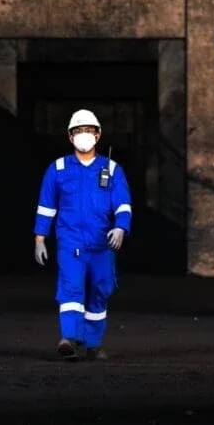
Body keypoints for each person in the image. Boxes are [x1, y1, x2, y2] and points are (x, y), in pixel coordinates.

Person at [33, 108, 132, 361]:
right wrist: (40, 238)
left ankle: (93, 343)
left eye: (88, 131)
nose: (84, 135)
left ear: (98, 136)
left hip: (102, 244)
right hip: (70, 241)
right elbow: (46, 207)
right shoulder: (57, 169)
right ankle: (69, 338)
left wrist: (121, 227)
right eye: (78, 131)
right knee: (71, 288)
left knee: (101, 289)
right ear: (70, 137)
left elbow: (122, 204)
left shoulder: (112, 169)